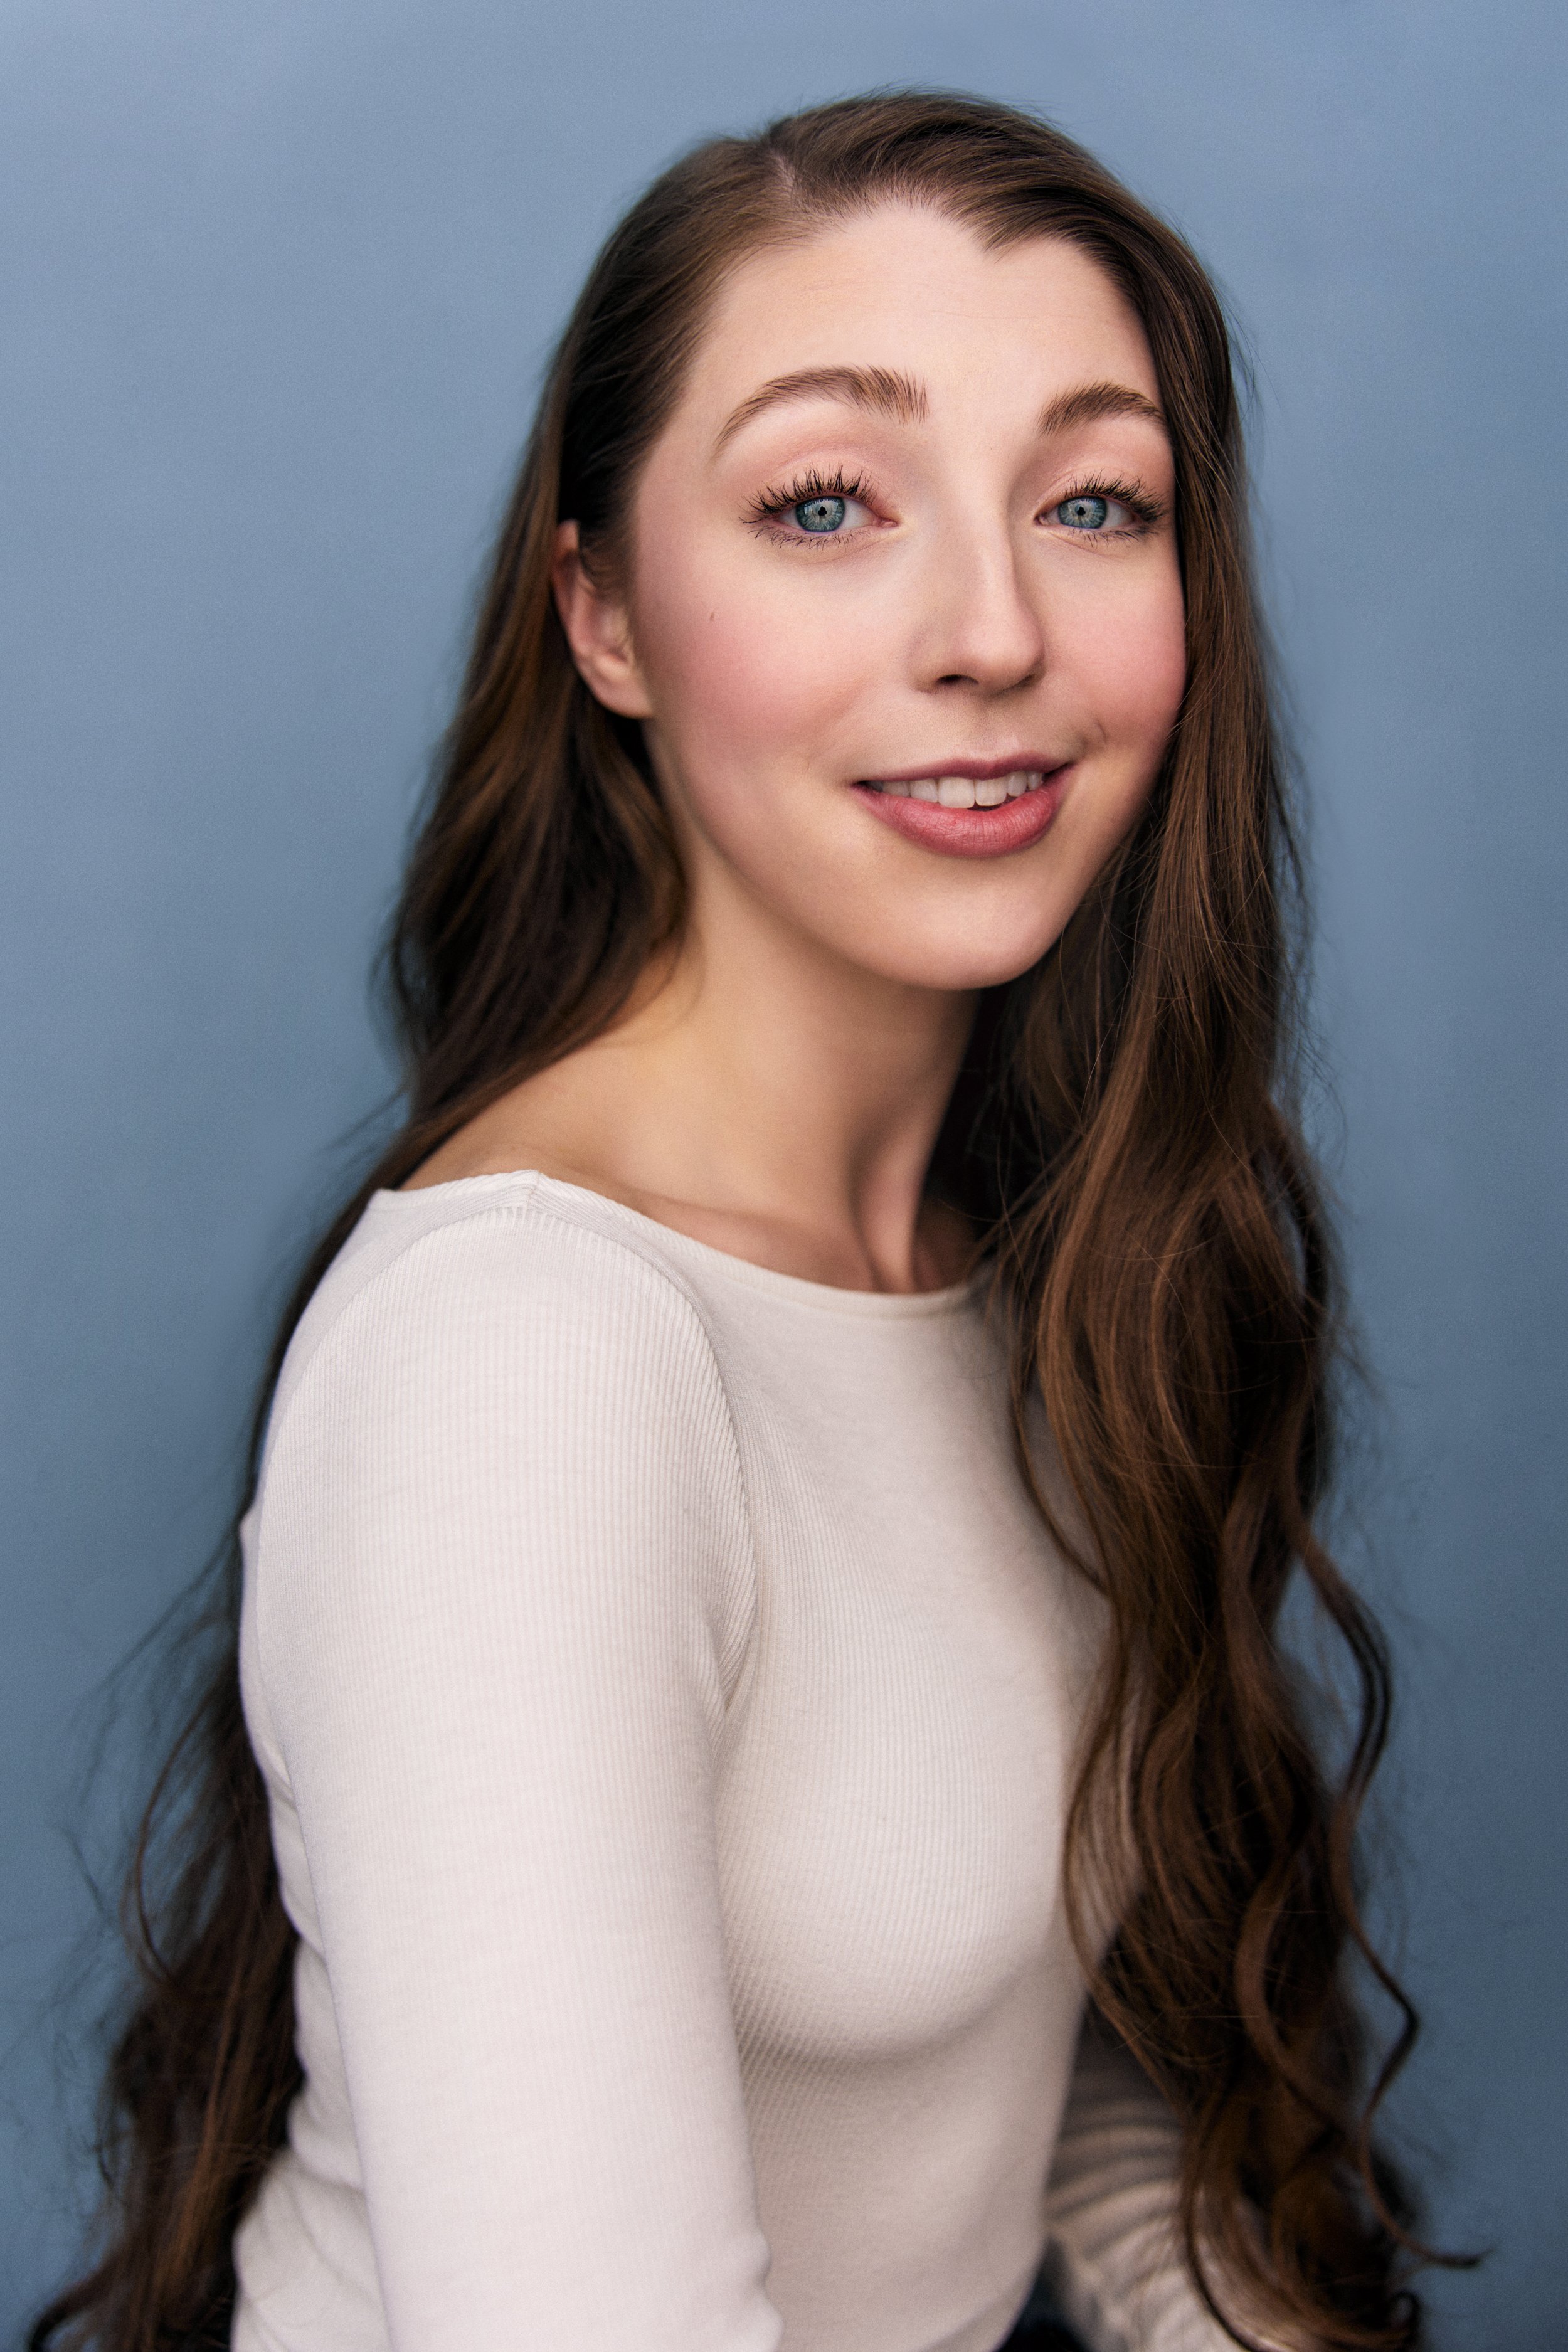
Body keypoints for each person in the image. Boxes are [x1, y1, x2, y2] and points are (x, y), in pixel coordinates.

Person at [33, 91, 1433, 2352]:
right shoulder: (531, 1368)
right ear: (601, 615)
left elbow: (1044, 2090)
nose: (991, 629)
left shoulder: (1030, 1262)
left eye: (1094, 500)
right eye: (821, 505)